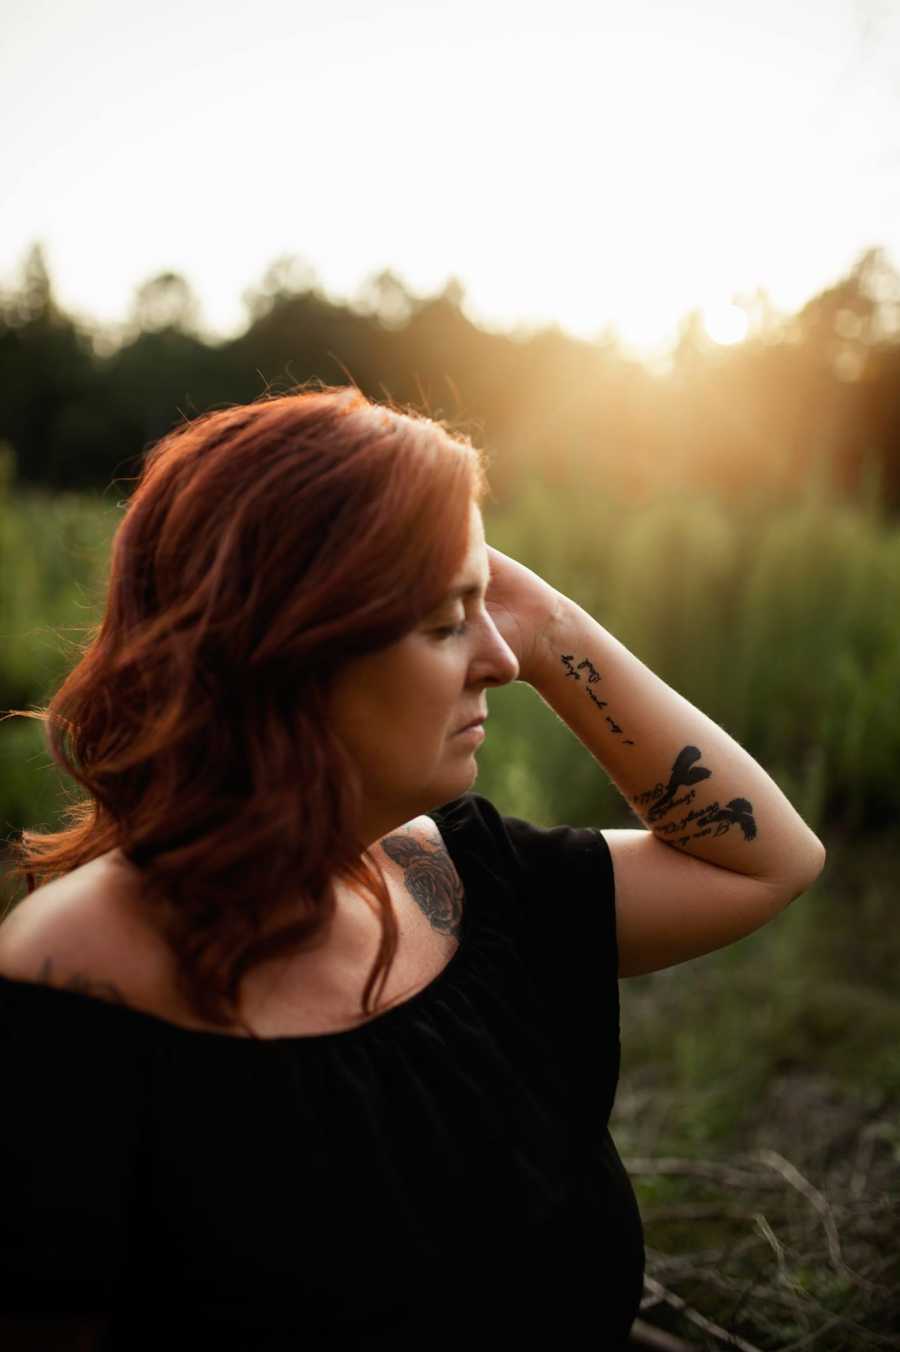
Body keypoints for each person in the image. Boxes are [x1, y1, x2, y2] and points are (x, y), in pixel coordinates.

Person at [0, 383, 825, 1351]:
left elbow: (763, 859)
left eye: (490, 609)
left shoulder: (468, 880)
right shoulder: (80, 971)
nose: (504, 660)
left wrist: (550, 618)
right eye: (445, 621)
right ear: (291, 646)